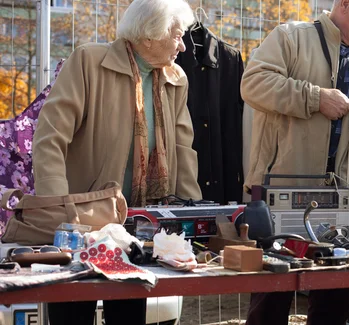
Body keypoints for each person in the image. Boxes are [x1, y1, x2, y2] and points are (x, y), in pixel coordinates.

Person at [32, 0, 202, 324]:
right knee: (72, 314)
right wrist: (61, 213)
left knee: (129, 316)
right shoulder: (88, 62)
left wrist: (189, 213)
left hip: (140, 227)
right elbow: (49, 139)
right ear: (150, 35)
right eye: (178, 36)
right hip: (81, 227)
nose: (183, 46)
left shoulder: (175, 79)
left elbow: (183, 149)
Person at [241, 0, 349, 323]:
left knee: (335, 301)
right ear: (345, 4)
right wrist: (315, 98)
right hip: (283, 194)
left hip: (344, 200)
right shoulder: (291, 38)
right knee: (271, 296)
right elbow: (253, 84)